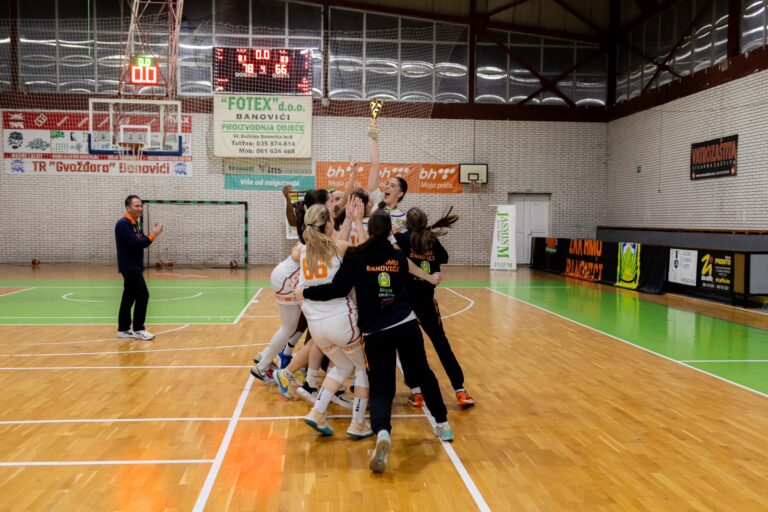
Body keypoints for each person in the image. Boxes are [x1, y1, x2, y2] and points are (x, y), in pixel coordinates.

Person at [297, 209, 454, 474]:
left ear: (369, 231)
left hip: (375, 331)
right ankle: (443, 424)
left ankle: (382, 433)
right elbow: (410, 273)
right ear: (390, 231)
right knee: (423, 373)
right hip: (405, 323)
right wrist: (429, 278)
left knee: (381, 386)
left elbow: (337, 289)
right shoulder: (397, 256)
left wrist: (307, 292)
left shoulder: (357, 256)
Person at [279, 202, 372, 439]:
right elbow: (365, 253)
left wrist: (348, 219)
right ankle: (358, 423)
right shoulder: (341, 247)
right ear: (328, 225)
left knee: (342, 366)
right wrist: (356, 220)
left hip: (316, 326)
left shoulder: (303, 252)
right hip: (340, 320)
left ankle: (317, 411)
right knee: (361, 367)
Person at [395, 207, 475, 409]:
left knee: (408, 348)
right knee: (442, 345)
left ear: (407, 224)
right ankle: (459, 389)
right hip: (427, 301)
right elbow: (443, 259)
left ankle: (416, 392)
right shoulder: (432, 241)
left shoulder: (402, 240)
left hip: (407, 303)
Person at [115, 195, 162, 341]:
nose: (140, 208)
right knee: (143, 295)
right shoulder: (123, 224)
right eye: (136, 206)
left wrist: (149, 236)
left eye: (141, 205)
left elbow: (142, 241)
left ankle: (123, 329)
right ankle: (138, 329)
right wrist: (153, 235)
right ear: (128, 208)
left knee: (128, 297)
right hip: (129, 267)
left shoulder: (136, 223)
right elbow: (137, 244)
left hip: (135, 266)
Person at [365, 120, 408, 233]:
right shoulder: (376, 201)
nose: (387, 186)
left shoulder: (404, 218)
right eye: (387, 183)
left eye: (392, 185)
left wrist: (398, 235)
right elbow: (375, 165)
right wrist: (373, 136)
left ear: (400, 193)